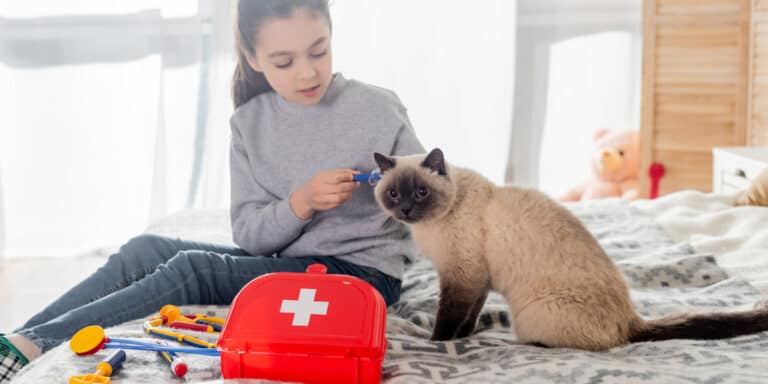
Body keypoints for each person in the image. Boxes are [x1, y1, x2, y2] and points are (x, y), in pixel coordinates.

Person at [0, 0, 424, 381]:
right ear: (254, 58)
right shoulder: (249, 124)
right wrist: (301, 203)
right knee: (143, 250)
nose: (308, 71)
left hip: (361, 277)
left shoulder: (379, 107)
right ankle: (20, 342)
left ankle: (35, 344)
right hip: (295, 264)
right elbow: (252, 236)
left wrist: (394, 189)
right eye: (283, 60)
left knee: (194, 269)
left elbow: (432, 193)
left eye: (319, 50)